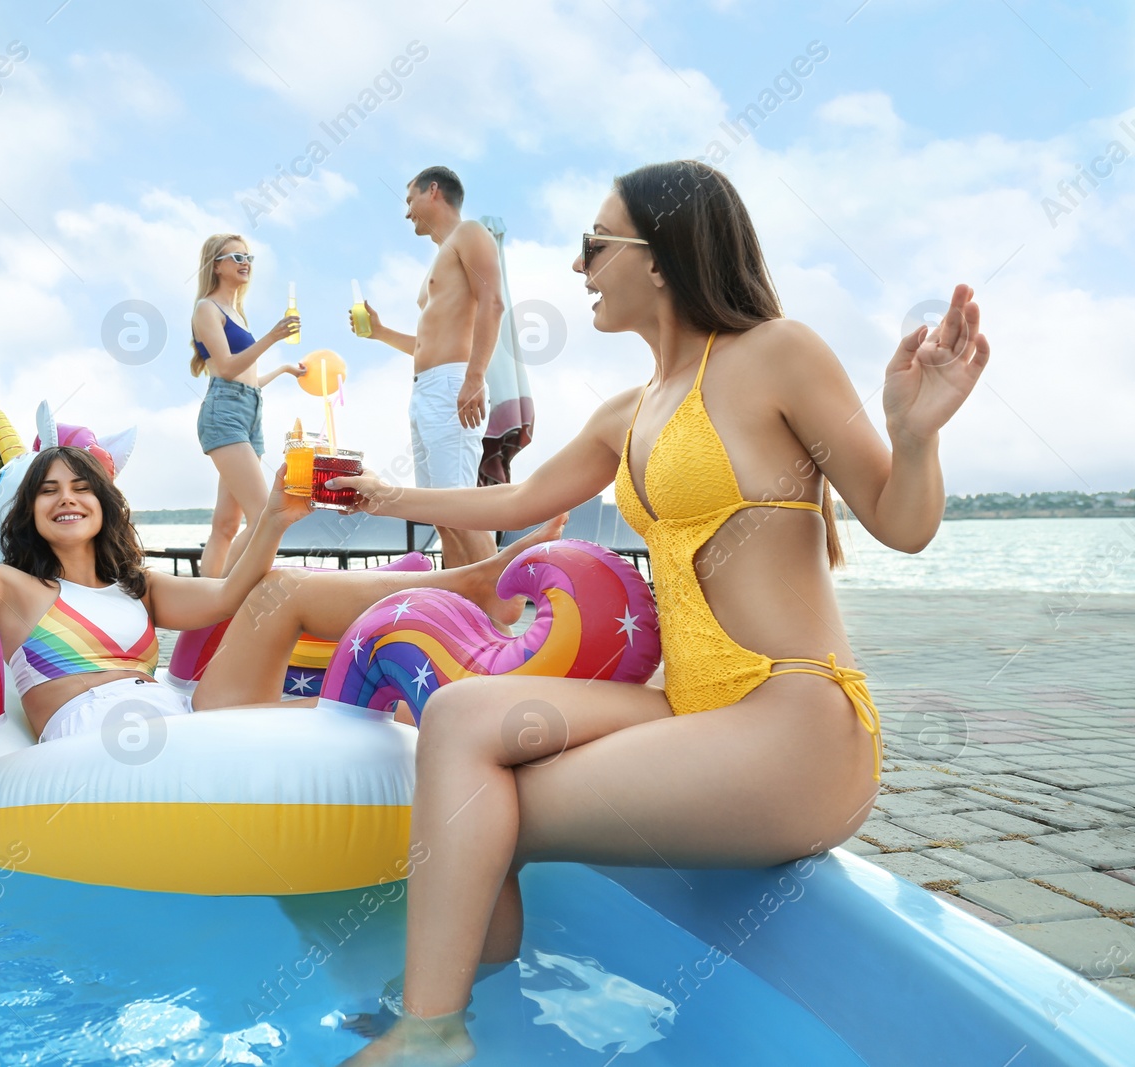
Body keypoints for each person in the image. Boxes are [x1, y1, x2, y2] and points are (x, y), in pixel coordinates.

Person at [326, 160, 990, 1065]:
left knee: (487, 806)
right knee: (456, 719)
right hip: (696, 712)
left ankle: (432, 1028)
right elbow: (512, 503)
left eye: (594, 246)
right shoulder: (625, 414)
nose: (578, 269)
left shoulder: (776, 354)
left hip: (797, 720)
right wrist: (387, 494)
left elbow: (902, 521)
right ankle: (457, 1011)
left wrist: (916, 434)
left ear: (663, 255)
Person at [0, 418, 563, 742]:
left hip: (179, 714)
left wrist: (275, 514)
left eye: (80, 487)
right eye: (47, 490)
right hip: (104, 743)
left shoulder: (141, 587)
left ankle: (475, 579)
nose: (66, 497)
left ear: (103, 505)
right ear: (30, 514)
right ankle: (477, 581)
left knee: (283, 586)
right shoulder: (11, 588)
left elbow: (236, 596)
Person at [350, 166, 505, 571]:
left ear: (433, 191)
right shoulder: (442, 255)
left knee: (460, 510)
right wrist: (380, 332)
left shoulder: (470, 234)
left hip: (454, 384)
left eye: (409, 201)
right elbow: (424, 345)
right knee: (444, 516)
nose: (407, 214)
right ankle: (463, 613)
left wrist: (475, 377)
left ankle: (502, 618)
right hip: (427, 389)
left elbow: (493, 303)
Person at [189, 233, 306, 579]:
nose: (245, 264)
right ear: (217, 265)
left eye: (248, 258)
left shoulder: (237, 313)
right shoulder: (206, 308)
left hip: (250, 412)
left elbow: (247, 380)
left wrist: (284, 369)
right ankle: (225, 595)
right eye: (236, 257)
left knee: (226, 525)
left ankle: (207, 609)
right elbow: (226, 368)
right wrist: (272, 337)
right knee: (265, 515)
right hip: (223, 414)